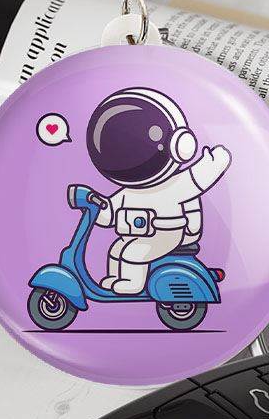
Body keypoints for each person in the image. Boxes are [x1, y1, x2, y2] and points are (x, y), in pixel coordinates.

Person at [86, 88, 231, 294]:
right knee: (117, 249)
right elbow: (109, 213)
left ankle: (132, 284)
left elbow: (200, 176)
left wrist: (214, 161)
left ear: (181, 145)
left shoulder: (175, 185)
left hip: (166, 234)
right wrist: (94, 208)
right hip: (139, 235)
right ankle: (115, 278)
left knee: (133, 254)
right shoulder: (128, 192)